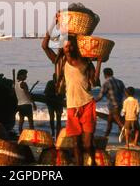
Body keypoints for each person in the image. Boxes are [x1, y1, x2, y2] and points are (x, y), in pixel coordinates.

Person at [42, 16, 102, 166]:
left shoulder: (84, 63)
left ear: (74, 47)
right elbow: (44, 46)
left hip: (87, 104)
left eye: (69, 46)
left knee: (87, 144)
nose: (67, 49)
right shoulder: (60, 62)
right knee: (76, 144)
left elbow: (94, 82)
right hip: (71, 106)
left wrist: (99, 62)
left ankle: (93, 161)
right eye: (65, 47)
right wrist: (54, 24)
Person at [94, 68, 125, 137]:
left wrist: (92, 101)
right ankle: (106, 136)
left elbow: (100, 96)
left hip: (113, 106)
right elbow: (124, 93)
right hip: (120, 104)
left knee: (118, 121)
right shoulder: (120, 82)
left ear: (105, 74)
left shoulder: (106, 83)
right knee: (110, 121)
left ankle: (125, 130)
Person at [14, 69, 37, 134]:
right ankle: (32, 135)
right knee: (30, 121)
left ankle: (20, 134)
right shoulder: (23, 84)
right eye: (25, 75)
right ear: (21, 75)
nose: (26, 76)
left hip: (20, 105)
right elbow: (27, 94)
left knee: (21, 121)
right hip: (26, 105)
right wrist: (33, 103)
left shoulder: (16, 84)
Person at [44, 73, 65, 138]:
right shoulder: (60, 84)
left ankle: (54, 132)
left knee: (52, 118)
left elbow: (45, 93)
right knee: (57, 119)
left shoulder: (50, 83)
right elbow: (64, 94)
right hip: (56, 103)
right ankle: (55, 132)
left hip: (52, 103)